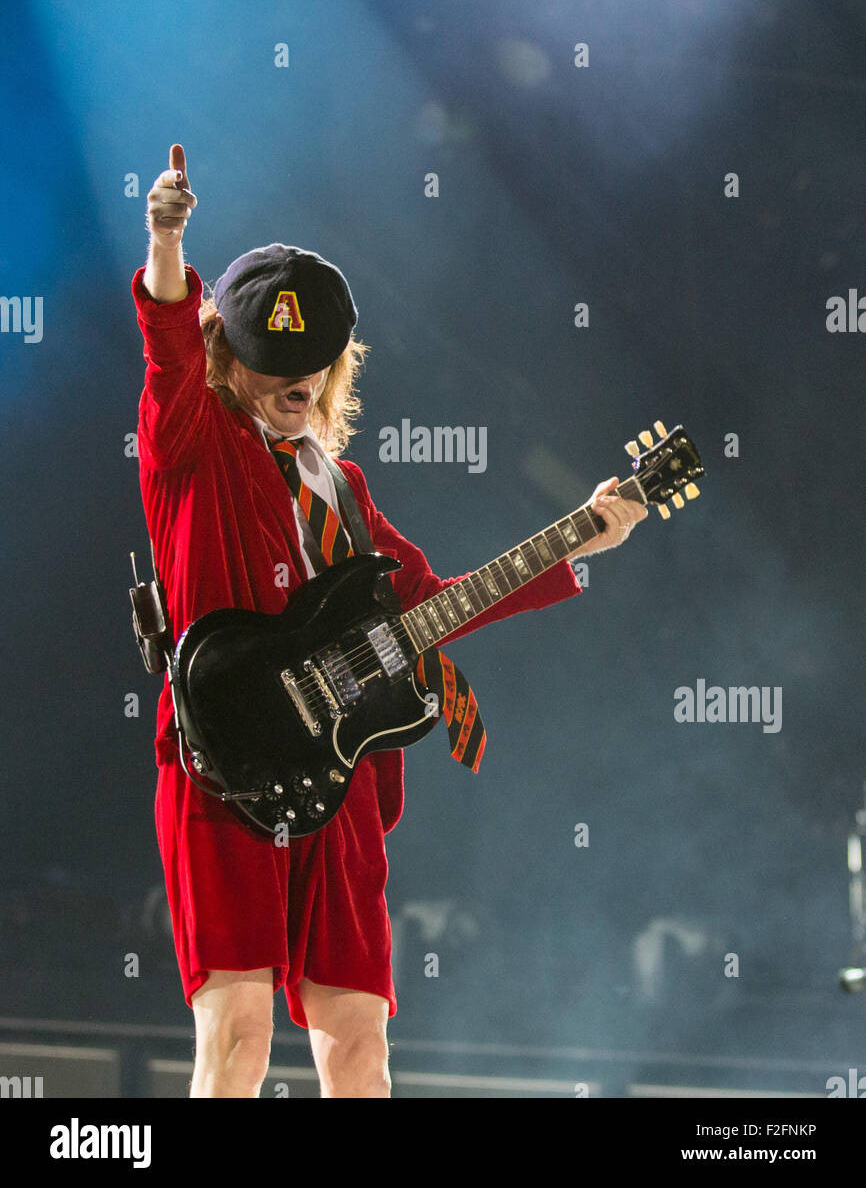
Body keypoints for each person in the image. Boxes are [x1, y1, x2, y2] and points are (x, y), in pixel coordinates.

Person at [134, 143, 647, 1099]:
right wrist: (166, 242)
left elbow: (434, 602)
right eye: (273, 362)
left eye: (311, 365)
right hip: (224, 753)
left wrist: (583, 540)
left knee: (360, 1045)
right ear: (227, 359)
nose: (297, 381)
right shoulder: (193, 444)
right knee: (237, 1034)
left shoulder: (345, 486)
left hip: (340, 769)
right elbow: (166, 344)